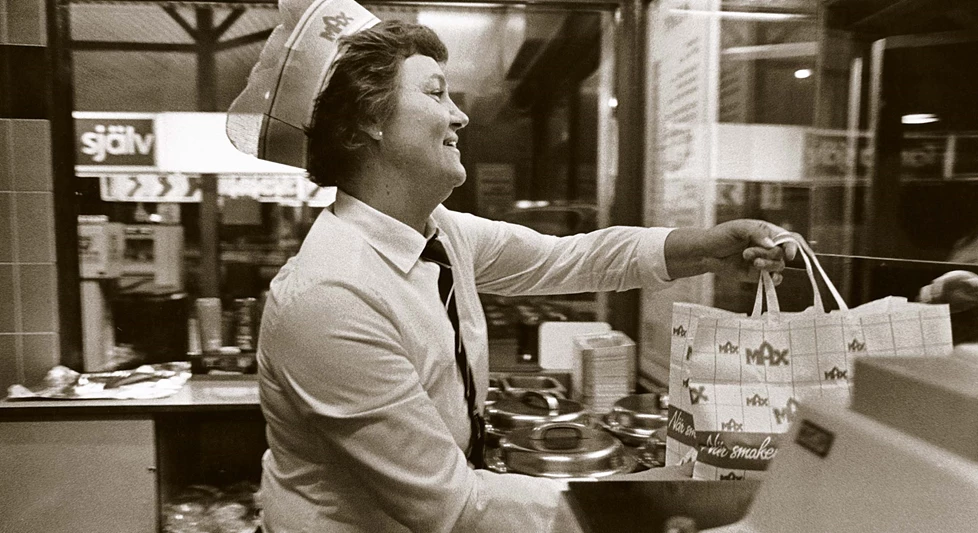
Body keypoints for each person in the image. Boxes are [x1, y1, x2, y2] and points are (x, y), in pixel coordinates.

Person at [241, 13, 800, 533]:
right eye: (435, 93)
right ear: (366, 122)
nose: (459, 114)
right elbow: (452, 504)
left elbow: (568, 258)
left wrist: (706, 248)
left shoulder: (441, 234)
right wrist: (649, 505)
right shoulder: (331, 297)